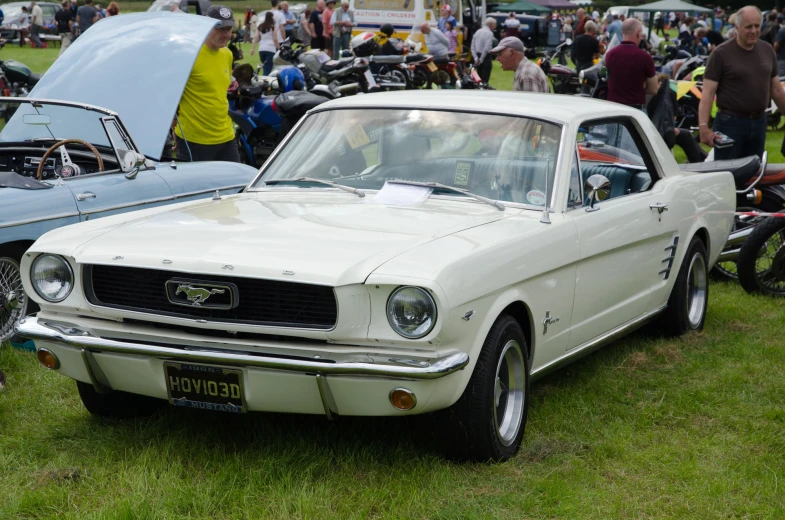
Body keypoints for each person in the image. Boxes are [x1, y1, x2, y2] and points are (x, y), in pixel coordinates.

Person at [700, 6, 785, 161]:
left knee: (753, 174)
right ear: (737, 27)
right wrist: (704, 128)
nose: (753, 31)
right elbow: (707, 94)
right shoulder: (720, 54)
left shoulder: (767, 50)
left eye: (757, 26)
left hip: (759, 122)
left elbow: (777, 90)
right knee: (728, 175)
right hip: (729, 124)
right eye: (748, 27)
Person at [175, 5, 240, 163]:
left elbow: (217, 85)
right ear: (205, 26)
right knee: (196, 187)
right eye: (220, 28)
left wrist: (232, 82)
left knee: (237, 185)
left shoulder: (227, 54)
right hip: (195, 140)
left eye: (229, 29)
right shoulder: (188, 55)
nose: (226, 35)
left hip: (226, 136)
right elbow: (170, 94)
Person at [604, 18, 657, 109]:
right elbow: (653, 89)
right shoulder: (645, 57)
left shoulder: (609, 55)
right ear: (638, 33)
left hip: (612, 110)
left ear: (622, 33)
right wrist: (641, 87)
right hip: (635, 110)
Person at [471, 17, 495, 83]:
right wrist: (481, 60)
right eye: (494, 25)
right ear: (491, 25)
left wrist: (476, 58)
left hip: (477, 55)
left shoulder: (477, 32)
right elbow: (486, 48)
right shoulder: (489, 33)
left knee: (478, 78)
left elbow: (472, 46)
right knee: (485, 79)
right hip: (486, 57)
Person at [256, 11, 279, 76]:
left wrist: (253, 48)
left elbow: (256, 37)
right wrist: (279, 47)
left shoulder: (260, 26)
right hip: (270, 48)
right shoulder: (273, 27)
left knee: (265, 67)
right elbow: (275, 38)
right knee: (268, 68)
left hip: (261, 49)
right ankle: (265, 82)